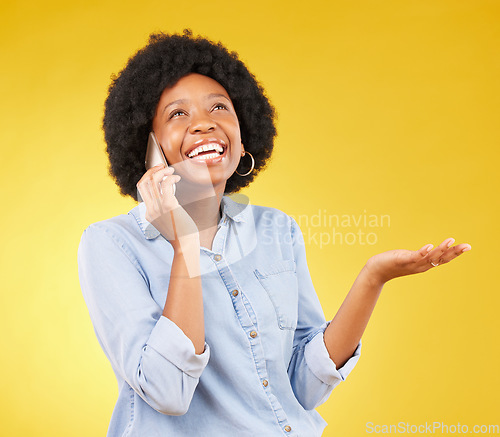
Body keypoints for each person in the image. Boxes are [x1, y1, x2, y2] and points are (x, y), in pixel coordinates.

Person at [77, 29, 471, 437]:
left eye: (220, 108)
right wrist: (185, 244)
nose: (205, 125)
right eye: (178, 114)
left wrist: (373, 277)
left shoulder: (275, 229)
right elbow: (167, 392)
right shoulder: (112, 244)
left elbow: (302, 385)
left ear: (243, 133)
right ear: (148, 147)